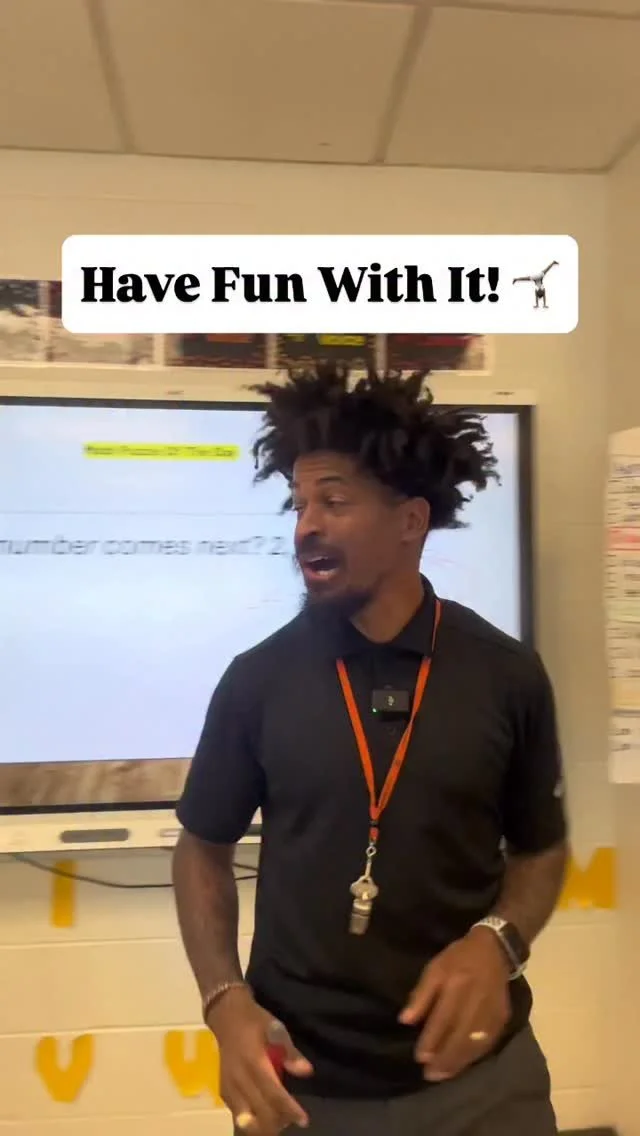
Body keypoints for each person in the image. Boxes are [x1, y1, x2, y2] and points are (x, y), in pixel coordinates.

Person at [172, 365, 569, 1136]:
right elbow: (201, 850)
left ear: (410, 521)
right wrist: (223, 1002)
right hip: (302, 1090)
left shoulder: (506, 674)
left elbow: (542, 850)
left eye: (334, 501)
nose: (305, 526)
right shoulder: (257, 680)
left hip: (484, 1087)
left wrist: (500, 943)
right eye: (300, 503)